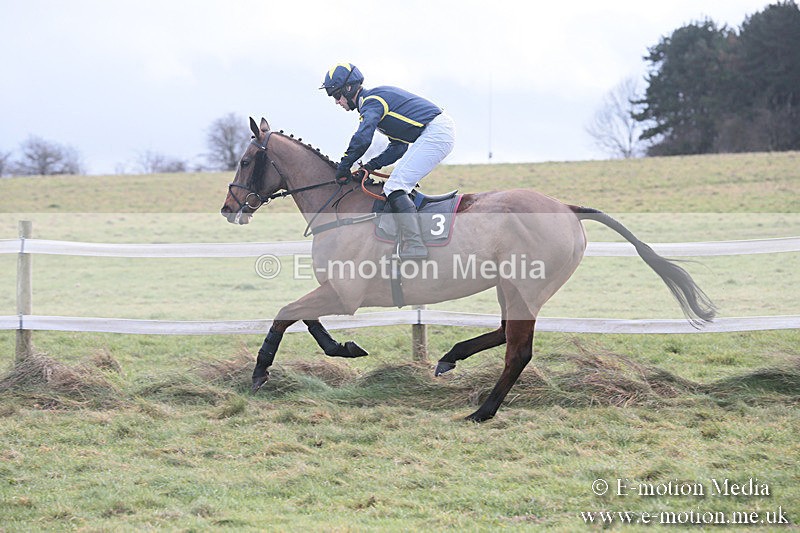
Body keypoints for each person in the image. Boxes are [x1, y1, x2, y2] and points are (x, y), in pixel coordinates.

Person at [321, 62, 455, 260]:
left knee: (395, 186)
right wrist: (370, 166)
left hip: (436, 132)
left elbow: (362, 138)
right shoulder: (373, 103)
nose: (336, 102)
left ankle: (415, 245)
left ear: (348, 89)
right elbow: (398, 146)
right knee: (396, 184)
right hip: (435, 131)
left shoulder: (372, 102)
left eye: (336, 95)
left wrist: (344, 165)